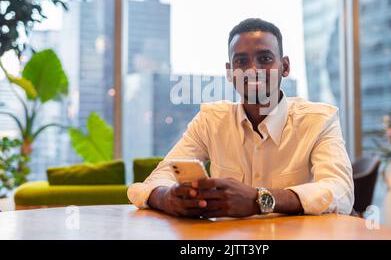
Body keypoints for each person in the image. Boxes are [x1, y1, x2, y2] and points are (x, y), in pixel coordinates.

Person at [127, 18, 354, 218]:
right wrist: (168, 197)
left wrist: (260, 200)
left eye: (264, 58)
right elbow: (155, 180)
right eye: (241, 61)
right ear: (229, 71)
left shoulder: (319, 120)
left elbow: (340, 190)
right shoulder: (210, 121)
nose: (252, 69)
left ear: (284, 67)